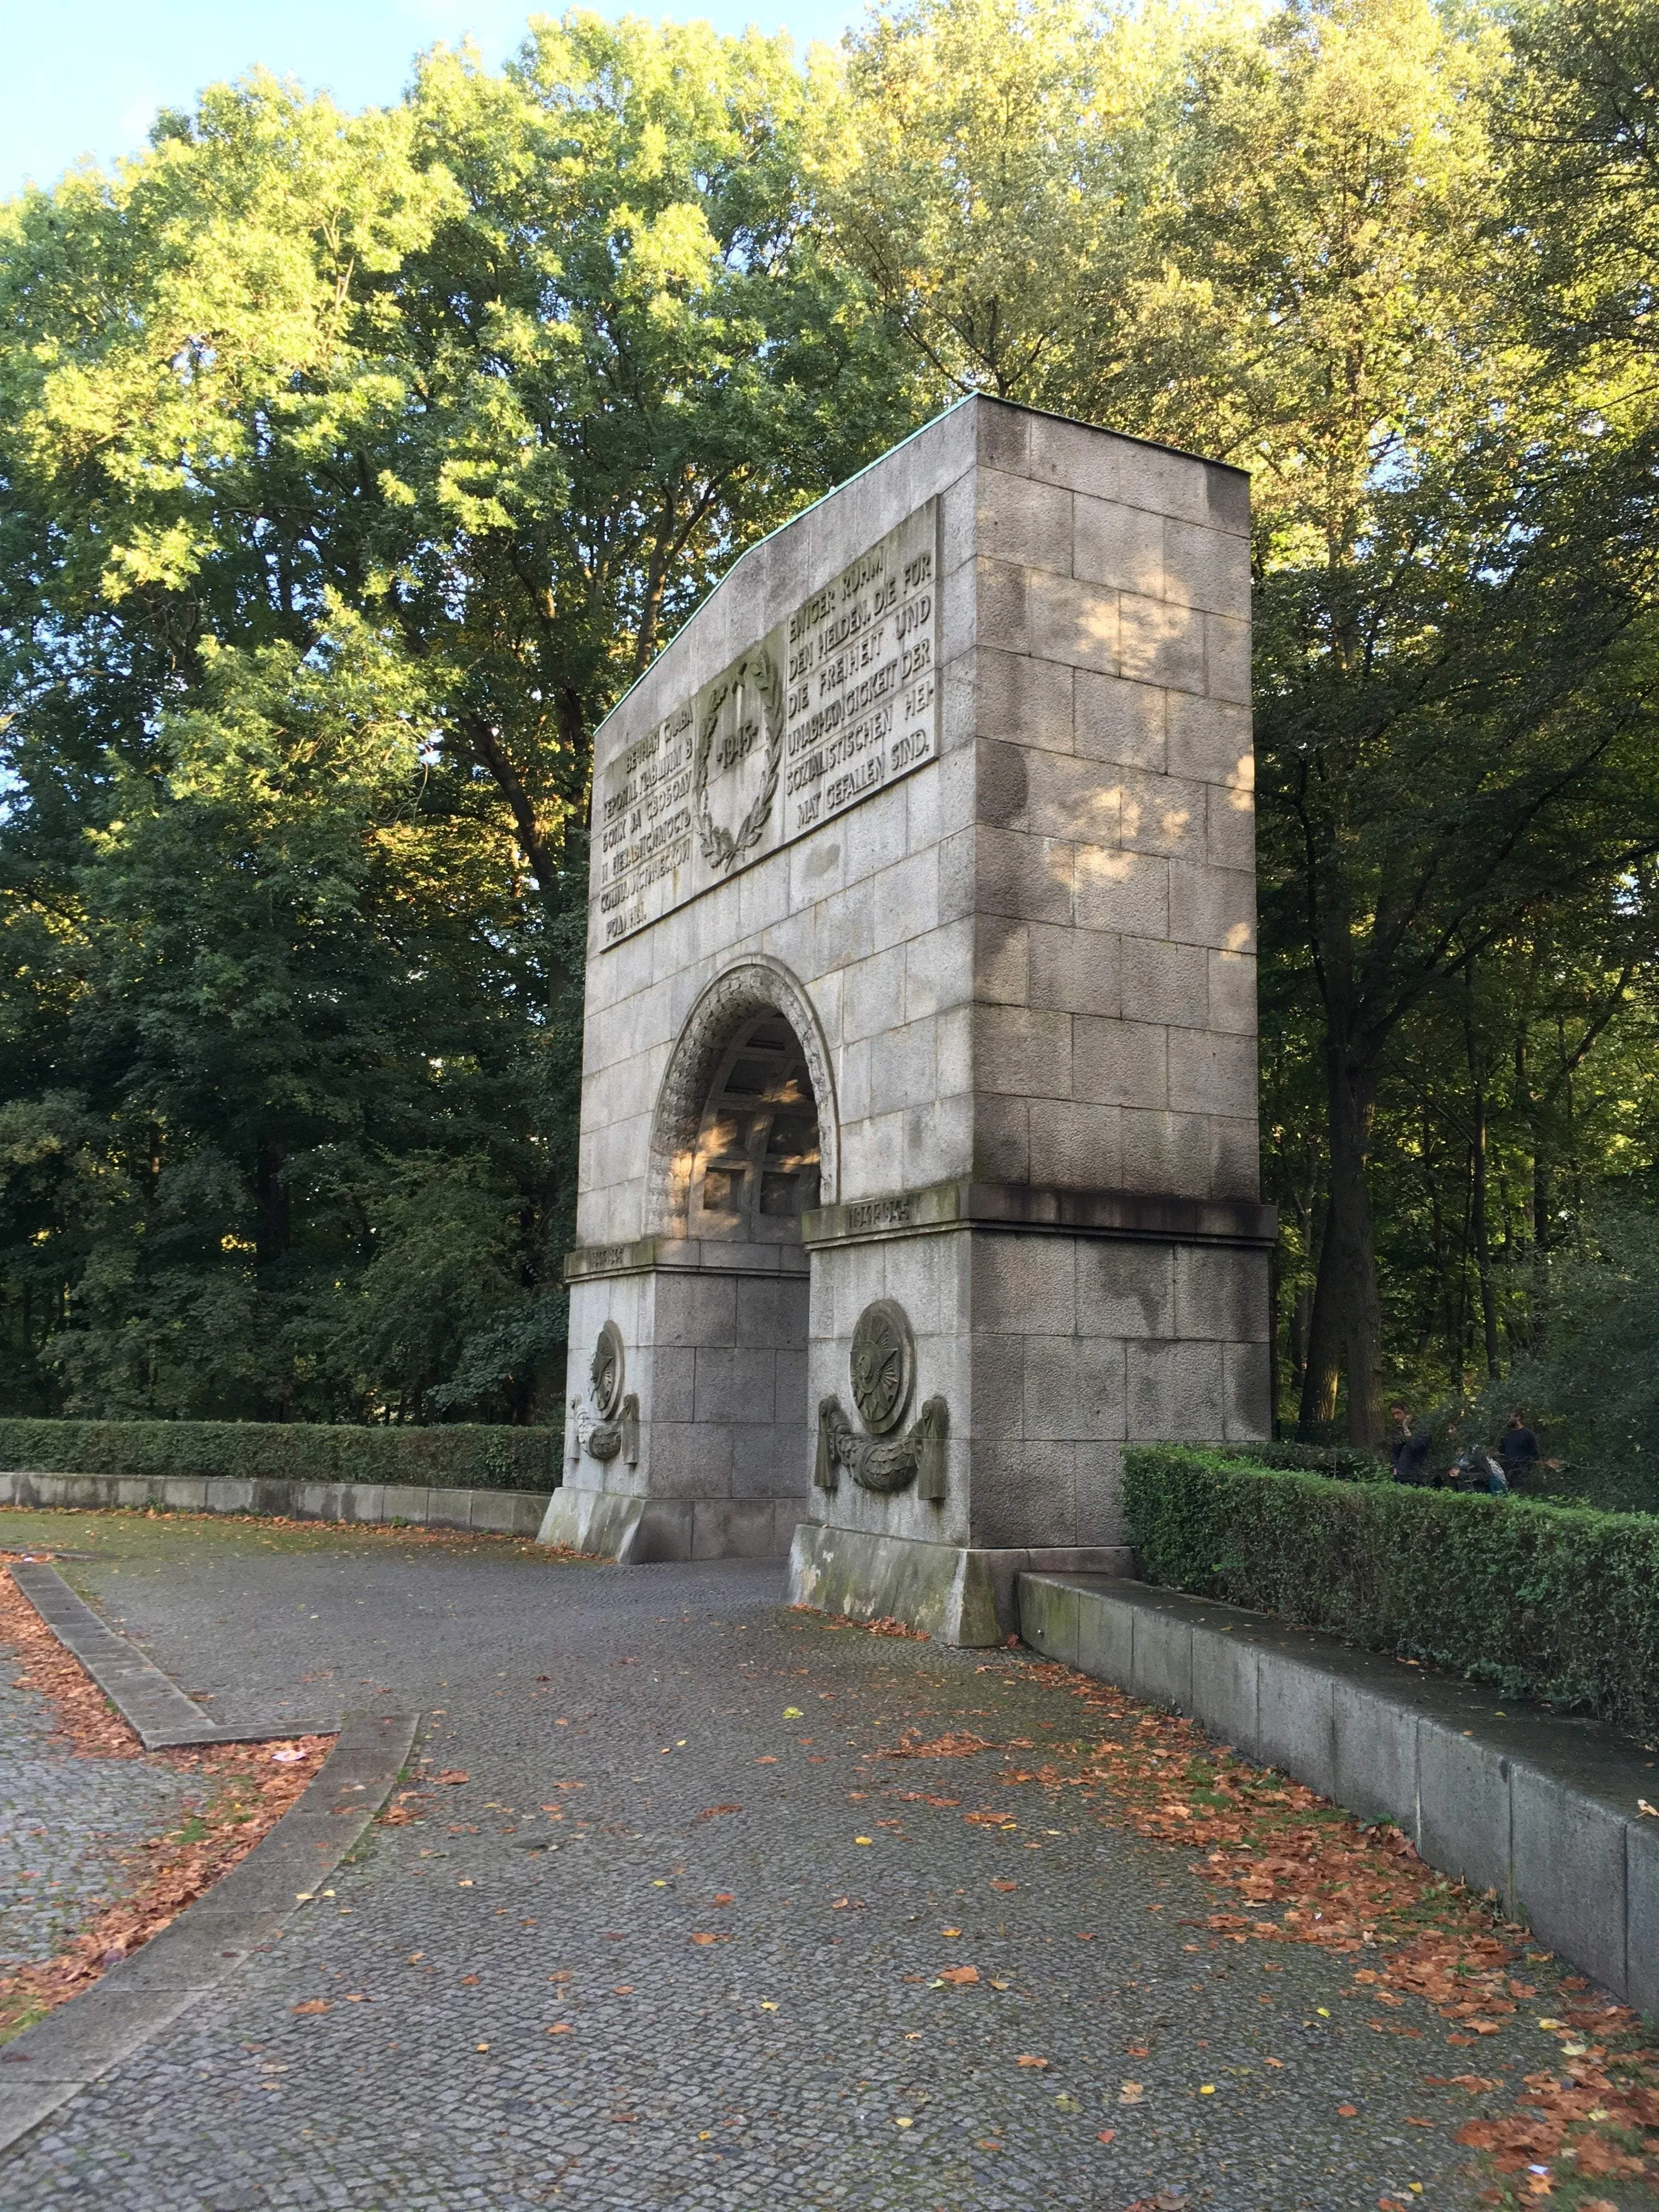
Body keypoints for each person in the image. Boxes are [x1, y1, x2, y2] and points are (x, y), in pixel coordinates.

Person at [1389, 1401, 1432, 1485]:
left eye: (1398, 1413)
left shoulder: (1421, 1427)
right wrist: (1395, 1468)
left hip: (1418, 1475)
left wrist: (1406, 1429)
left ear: (1406, 1412)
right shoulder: (1397, 1430)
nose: (1396, 1417)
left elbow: (1417, 1446)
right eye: (1393, 1414)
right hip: (1401, 1475)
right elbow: (1395, 1452)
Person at [1500, 1411, 1541, 1490]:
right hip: (1509, 1470)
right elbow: (1502, 1452)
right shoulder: (1507, 1436)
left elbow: (1535, 1452)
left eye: (1510, 1417)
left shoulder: (1528, 1434)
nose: (1508, 1420)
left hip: (1523, 1470)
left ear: (1517, 1417)